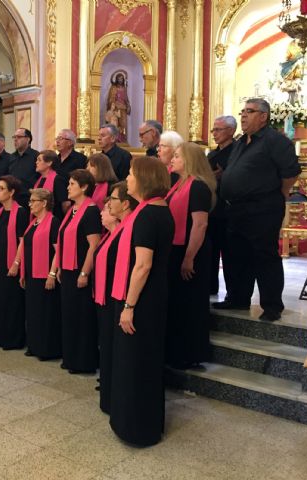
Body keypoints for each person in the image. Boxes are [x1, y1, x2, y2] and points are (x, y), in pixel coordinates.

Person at [214, 98, 301, 321]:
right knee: (236, 255)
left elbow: (290, 172)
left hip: (262, 208)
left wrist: (278, 194)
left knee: (264, 256)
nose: (243, 115)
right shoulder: (241, 142)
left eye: (249, 111)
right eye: (242, 111)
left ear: (263, 116)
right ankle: (238, 298)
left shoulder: (275, 141)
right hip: (236, 209)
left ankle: (272, 305)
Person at [109, 156, 174, 447]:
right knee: (143, 361)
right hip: (153, 297)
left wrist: (129, 306)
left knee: (136, 362)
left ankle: (136, 426)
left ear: (145, 179)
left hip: (142, 301)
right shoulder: (159, 210)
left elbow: (142, 265)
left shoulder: (148, 215)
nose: (128, 178)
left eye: (133, 174)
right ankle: (142, 422)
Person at [165, 143, 216, 369]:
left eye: (177, 156)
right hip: (176, 249)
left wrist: (188, 257)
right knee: (179, 303)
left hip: (191, 250)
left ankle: (191, 353)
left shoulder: (198, 187)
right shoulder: (178, 184)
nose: (172, 159)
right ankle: (178, 351)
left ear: (189, 160)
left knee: (191, 303)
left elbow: (200, 224)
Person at [93, 182, 136, 414]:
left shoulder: (123, 231)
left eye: (109, 206)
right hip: (106, 296)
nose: (104, 210)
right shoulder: (110, 234)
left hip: (115, 297)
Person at [56, 169, 102, 374]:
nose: (68, 187)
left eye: (72, 184)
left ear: (84, 187)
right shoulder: (73, 209)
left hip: (81, 271)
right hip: (67, 270)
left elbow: (94, 245)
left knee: (82, 317)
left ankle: (83, 361)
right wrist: (58, 267)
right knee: (69, 316)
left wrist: (84, 272)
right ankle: (70, 357)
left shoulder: (91, 210)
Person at [19, 188, 62, 360]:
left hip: (45, 275)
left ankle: (47, 349)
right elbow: (26, 248)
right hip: (31, 274)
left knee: (46, 313)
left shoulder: (53, 222)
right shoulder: (33, 222)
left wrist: (52, 273)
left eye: (33, 201)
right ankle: (34, 345)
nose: (30, 204)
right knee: (33, 312)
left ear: (44, 203)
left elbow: (58, 250)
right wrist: (23, 272)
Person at [0, 176, 28, 350]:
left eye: (2, 188)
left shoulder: (20, 212)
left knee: (12, 302)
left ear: (11, 192)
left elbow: (22, 241)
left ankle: (12, 339)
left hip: (11, 263)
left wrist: (16, 263)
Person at [207, 115, 237, 295]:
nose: (214, 133)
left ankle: (232, 292)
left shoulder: (236, 152)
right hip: (212, 208)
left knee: (229, 254)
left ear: (231, 131)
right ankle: (210, 287)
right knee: (211, 251)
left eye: (218, 130)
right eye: (213, 130)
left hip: (228, 210)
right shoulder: (212, 154)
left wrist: (223, 176)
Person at [33, 150, 69, 219]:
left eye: (39, 160)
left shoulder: (58, 180)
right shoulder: (39, 180)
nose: (36, 162)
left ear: (49, 163)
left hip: (54, 220)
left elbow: (66, 204)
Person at [10, 128, 39, 206]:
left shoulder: (36, 156)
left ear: (28, 139)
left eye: (19, 137)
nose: (15, 140)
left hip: (29, 198)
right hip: (13, 198)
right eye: (14, 137)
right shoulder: (11, 157)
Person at [106, 72, 131, 142]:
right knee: (115, 124)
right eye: (119, 79)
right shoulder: (114, 88)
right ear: (116, 79)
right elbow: (111, 99)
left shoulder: (124, 88)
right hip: (116, 109)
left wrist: (128, 106)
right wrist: (113, 106)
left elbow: (126, 99)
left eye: (122, 79)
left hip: (123, 109)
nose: (120, 80)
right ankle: (116, 139)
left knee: (123, 124)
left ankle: (122, 139)